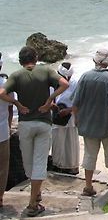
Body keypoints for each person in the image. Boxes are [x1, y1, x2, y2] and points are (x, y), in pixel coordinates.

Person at [0, 46, 69, 217]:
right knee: (40, 161)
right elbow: (64, 84)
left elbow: (1, 92)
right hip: (44, 123)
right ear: (36, 58)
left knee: (28, 163)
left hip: (25, 124)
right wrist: (50, 100)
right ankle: (34, 199)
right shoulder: (46, 71)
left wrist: (17, 104)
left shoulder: (16, 75)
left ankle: (34, 199)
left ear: (20, 61)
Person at [72, 49, 108, 197]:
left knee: (89, 155)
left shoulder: (84, 77)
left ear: (95, 61)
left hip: (88, 124)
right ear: (107, 63)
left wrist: (76, 118)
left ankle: (88, 185)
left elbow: (76, 102)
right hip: (106, 125)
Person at [51, 62, 79, 175]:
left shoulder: (76, 84)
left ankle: (72, 167)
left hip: (71, 116)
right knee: (57, 141)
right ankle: (58, 165)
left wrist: (69, 110)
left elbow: (80, 102)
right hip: (57, 117)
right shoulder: (53, 83)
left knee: (71, 142)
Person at [0, 54, 13, 209]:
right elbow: (10, 111)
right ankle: (0, 198)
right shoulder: (7, 85)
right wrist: (9, 127)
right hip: (2, 131)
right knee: (2, 167)